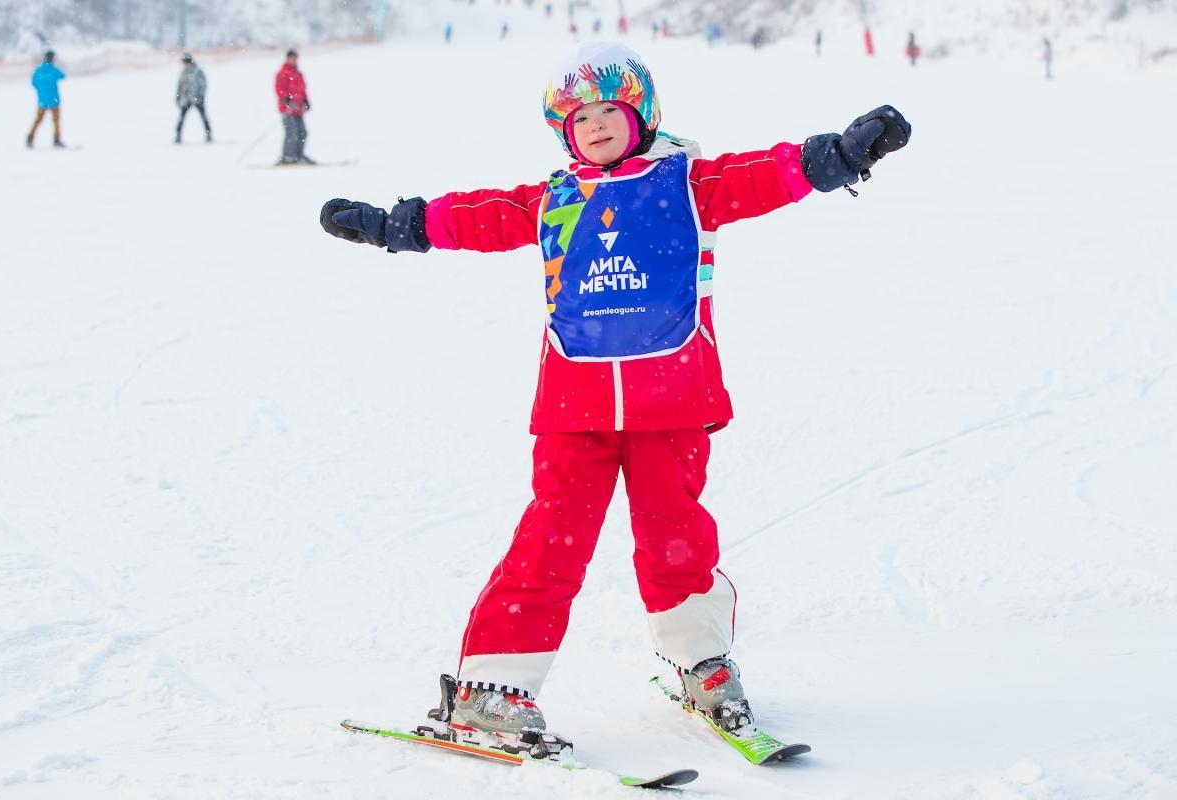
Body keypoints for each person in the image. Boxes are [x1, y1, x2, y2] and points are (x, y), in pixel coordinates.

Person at [318, 43, 910, 749]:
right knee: (550, 543)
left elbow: (764, 175)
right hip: (577, 409)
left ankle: (702, 665)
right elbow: (480, 215)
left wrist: (837, 155)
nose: (595, 127)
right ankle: (489, 690)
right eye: (579, 120)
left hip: (673, 403)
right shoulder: (554, 199)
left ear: (642, 115)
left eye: (609, 111)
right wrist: (396, 225)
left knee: (677, 539)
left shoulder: (688, 183)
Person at [275, 49, 314, 165]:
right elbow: (279, 89)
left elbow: (302, 90)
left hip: (298, 109)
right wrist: (287, 100)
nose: (294, 60)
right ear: (287, 59)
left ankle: (298, 156)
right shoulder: (282, 73)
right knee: (291, 133)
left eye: (295, 58)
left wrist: (306, 101)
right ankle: (288, 157)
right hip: (287, 109)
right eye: (292, 58)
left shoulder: (298, 73)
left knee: (302, 133)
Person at [26, 50, 65, 148]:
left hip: (42, 101)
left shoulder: (39, 70)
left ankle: (30, 137)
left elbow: (33, 82)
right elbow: (62, 76)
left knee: (38, 120)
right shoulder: (53, 70)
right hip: (54, 100)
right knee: (56, 121)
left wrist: (42, 90)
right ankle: (56, 140)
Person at [175, 53, 212, 144]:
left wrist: (201, 96)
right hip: (186, 100)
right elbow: (180, 86)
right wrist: (178, 97)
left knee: (203, 117)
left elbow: (203, 84)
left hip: (197, 99)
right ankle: (178, 136)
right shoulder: (184, 72)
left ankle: (208, 135)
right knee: (182, 118)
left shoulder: (197, 71)